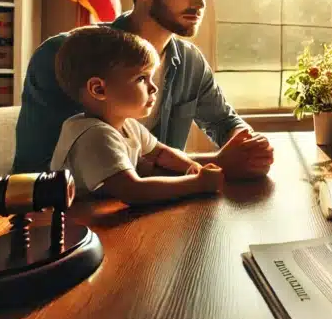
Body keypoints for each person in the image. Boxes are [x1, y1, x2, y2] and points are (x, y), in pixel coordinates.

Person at [15, 0, 274, 178]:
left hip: (169, 213)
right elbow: (38, 172)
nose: (200, 3)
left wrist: (247, 145)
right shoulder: (62, 55)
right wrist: (214, 163)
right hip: (85, 222)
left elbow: (223, 121)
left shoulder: (190, 61)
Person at [49, 26, 224, 204]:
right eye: (141, 78)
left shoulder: (127, 125)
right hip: (76, 222)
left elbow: (160, 153)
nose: (153, 88)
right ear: (99, 89)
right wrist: (197, 183)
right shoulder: (93, 135)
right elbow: (134, 191)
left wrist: (191, 167)